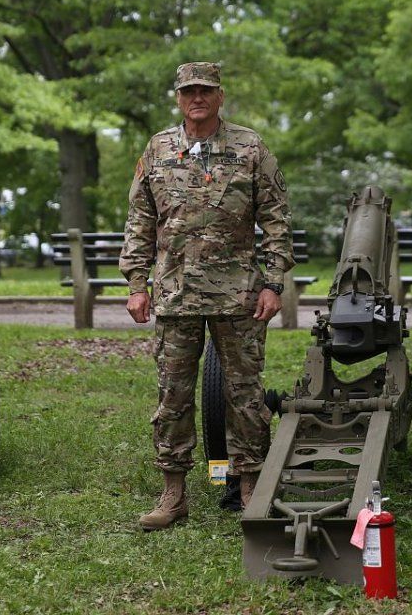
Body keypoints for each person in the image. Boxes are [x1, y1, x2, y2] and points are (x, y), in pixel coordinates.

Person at [119, 62, 295, 531]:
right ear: (178, 98)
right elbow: (140, 219)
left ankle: (249, 488)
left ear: (220, 96)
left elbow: (277, 219)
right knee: (172, 395)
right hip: (175, 295)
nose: (197, 97)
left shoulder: (250, 147)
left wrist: (273, 282)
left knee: (246, 396)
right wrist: (137, 285)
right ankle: (173, 494)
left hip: (239, 294)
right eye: (188, 90)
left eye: (206, 90)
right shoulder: (158, 148)